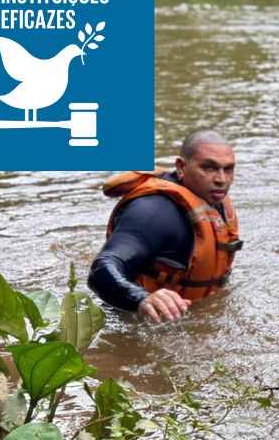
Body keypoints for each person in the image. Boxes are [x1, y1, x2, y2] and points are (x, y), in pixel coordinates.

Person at [88, 129, 241, 323]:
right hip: (133, 321)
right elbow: (101, 269)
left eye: (228, 169)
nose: (221, 179)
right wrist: (141, 299)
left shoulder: (213, 201)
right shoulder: (153, 212)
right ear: (181, 167)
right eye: (209, 168)